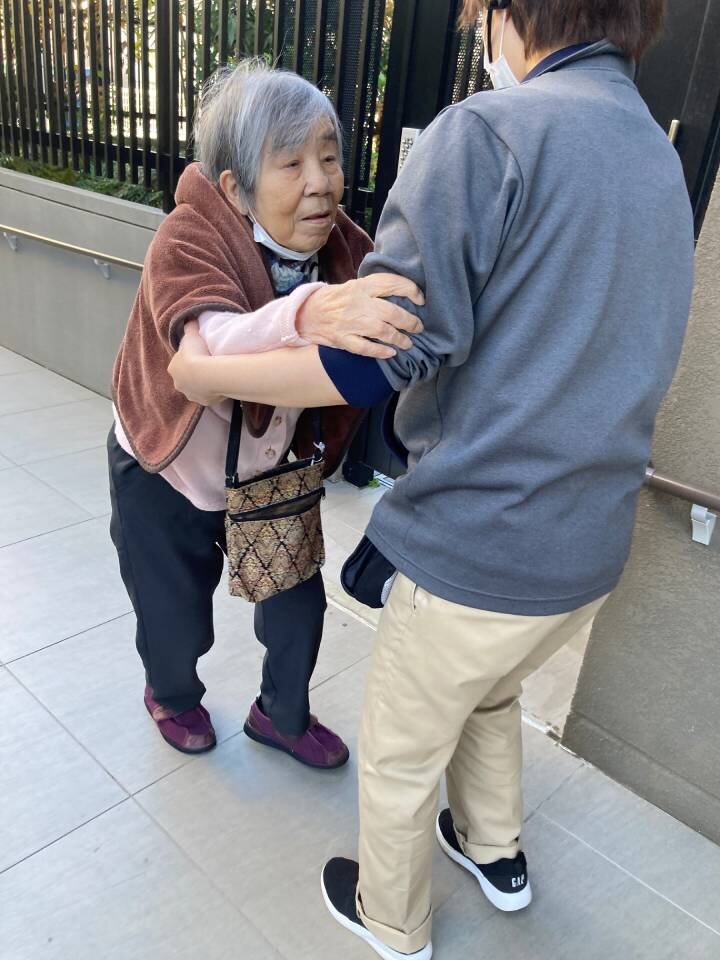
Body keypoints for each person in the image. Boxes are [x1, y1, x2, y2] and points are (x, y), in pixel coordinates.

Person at [168, 1, 694, 956]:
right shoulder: (653, 150)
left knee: (403, 755)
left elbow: (378, 357)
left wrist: (210, 374)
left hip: (479, 551)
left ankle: (393, 918)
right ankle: (496, 853)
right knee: (489, 693)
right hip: (590, 550)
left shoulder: (489, 133)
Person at [109, 61, 422, 768]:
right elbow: (209, 348)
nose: (320, 182)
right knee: (173, 616)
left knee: (297, 611)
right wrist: (309, 313)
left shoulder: (346, 250)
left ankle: (280, 716)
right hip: (165, 469)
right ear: (236, 187)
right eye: (291, 163)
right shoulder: (189, 237)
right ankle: (172, 695)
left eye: (329, 158)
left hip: (273, 474)